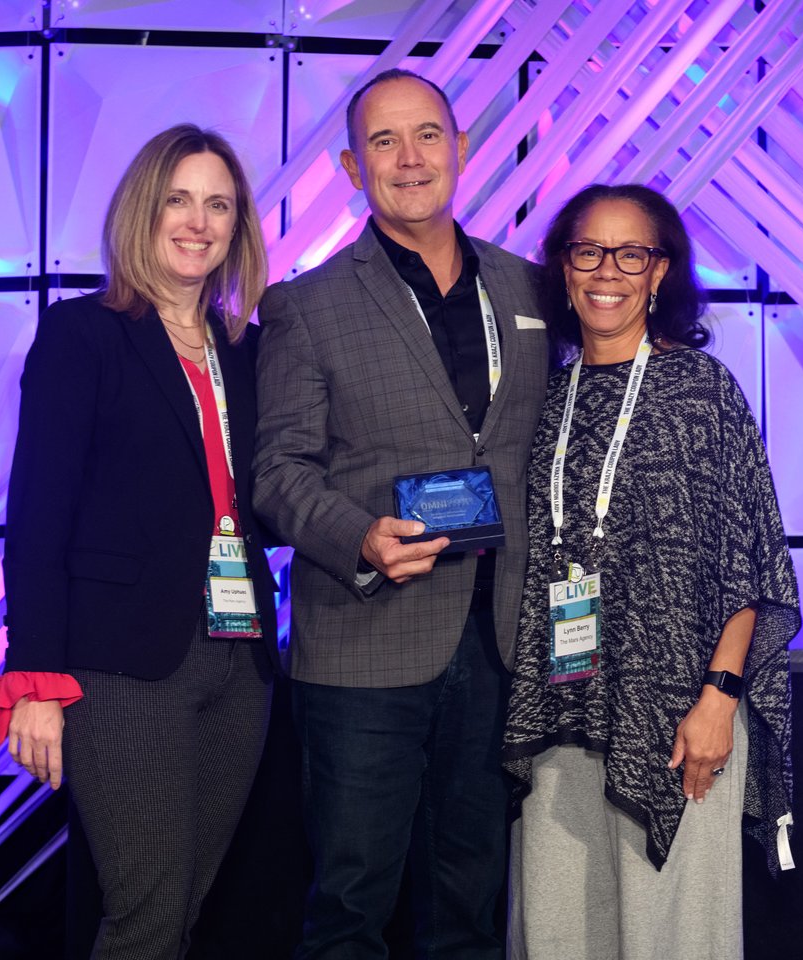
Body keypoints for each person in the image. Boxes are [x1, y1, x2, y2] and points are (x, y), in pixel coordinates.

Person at [253, 69, 549, 958]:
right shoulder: (304, 306)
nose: (410, 158)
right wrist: (359, 537)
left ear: (462, 149)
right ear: (351, 166)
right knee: (352, 906)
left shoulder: (532, 290)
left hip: (500, 639)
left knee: (470, 904)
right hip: (365, 638)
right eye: (383, 142)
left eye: (428, 135)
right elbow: (276, 470)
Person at [0, 124, 278, 960]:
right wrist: (34, 681)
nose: (199, 221)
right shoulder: (85, 336)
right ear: (142, 211)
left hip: (240, 659)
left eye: (219, 204)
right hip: (118, 667)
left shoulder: (246, 350)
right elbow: (38, 515)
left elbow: (266, 496)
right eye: (179, 199)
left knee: (183, 908)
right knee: (145, 914)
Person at [501, 184, 801, 960]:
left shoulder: (703, 392)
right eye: (587, 250)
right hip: (560, 712)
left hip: (678, 719)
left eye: (632, 252)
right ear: (563, 270)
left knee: (675, 939)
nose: (608, 270)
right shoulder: (548, 396)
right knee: (562, 934)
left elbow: (750, 559)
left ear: (661, 271)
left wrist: (719, 698)